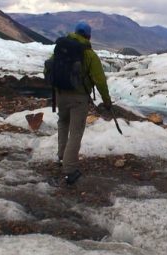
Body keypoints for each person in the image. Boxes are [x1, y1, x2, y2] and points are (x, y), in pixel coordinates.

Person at [56, 22, 112, 185]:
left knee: (63, 123)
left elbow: (49, 69)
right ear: (88, 36)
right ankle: (69, 170)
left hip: (60, 94)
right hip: (78, 97)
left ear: (74, 33)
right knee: (76, 132)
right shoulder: (89, 54)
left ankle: (61, 158)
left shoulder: (61, 48)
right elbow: (100, 80)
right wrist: (107, 100)